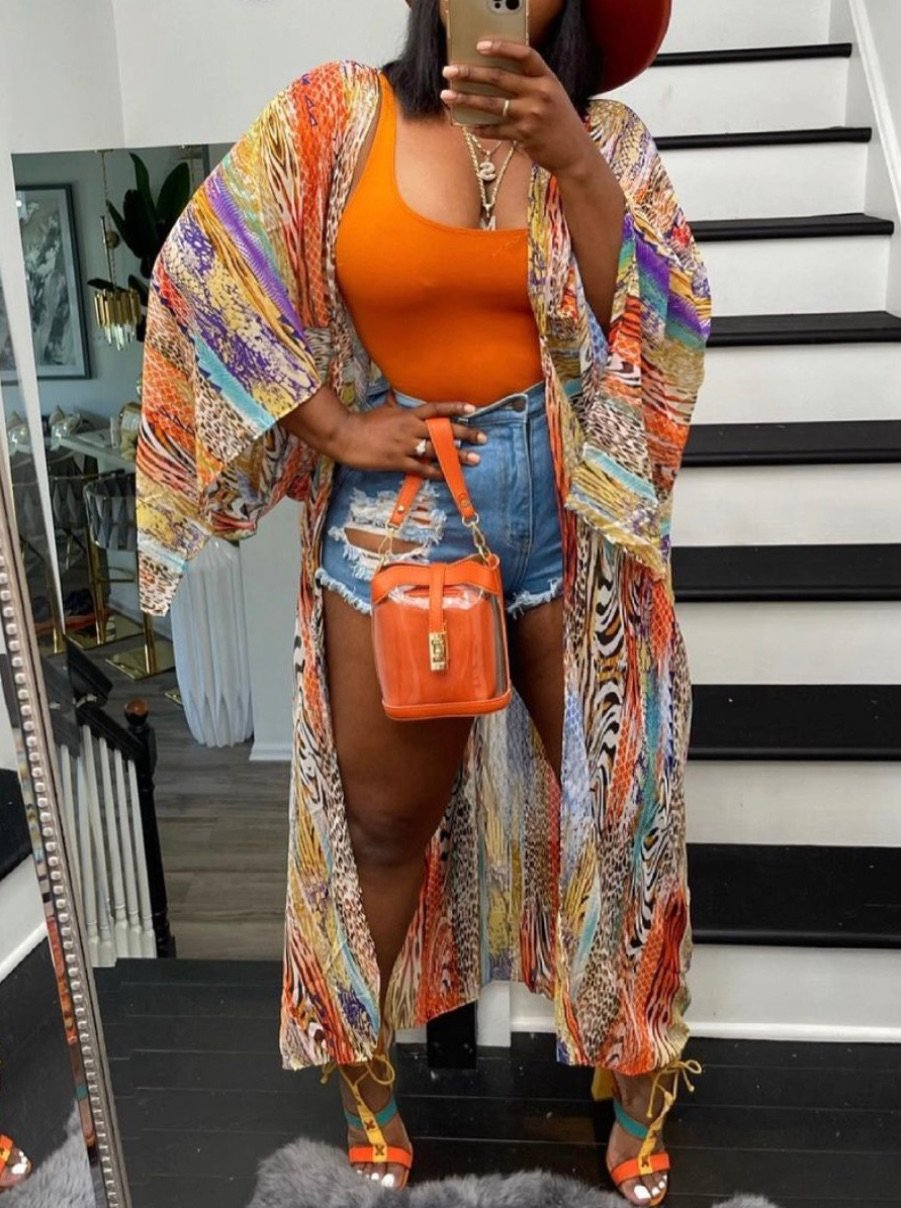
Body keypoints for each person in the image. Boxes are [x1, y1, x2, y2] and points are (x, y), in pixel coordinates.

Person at [135, 0, 712, 1203]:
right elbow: (204, 272)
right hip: (402, 507)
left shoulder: (605, 138)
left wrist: (573, 160)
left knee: (619, 813)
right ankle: (363, 1069)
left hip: (572, 504)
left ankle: (636, 1064)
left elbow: (650, 328)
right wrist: (335, 426)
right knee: (387, 825)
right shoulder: (335, 118)